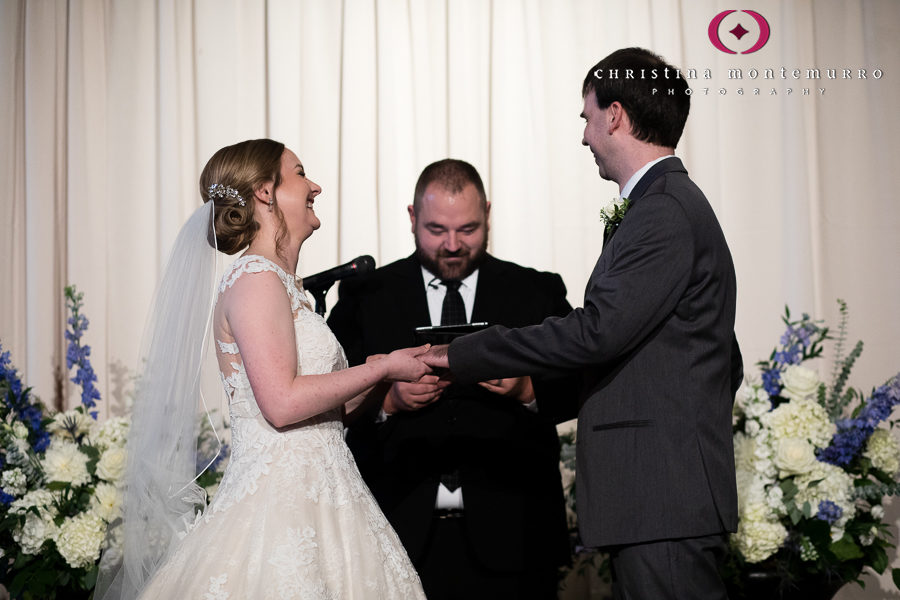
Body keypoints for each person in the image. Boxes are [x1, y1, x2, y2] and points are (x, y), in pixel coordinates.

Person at [422, 48, 744, 600]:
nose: (584, 136)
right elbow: (715, 356)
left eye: (586, 117)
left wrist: (461, 354)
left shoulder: (662, 209)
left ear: (614, 115)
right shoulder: (664, 204)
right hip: (660, 494)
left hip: (661, 496)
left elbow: (598, 332)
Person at [96, 139, 429, 599]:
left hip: (329, 497)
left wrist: (379, 375)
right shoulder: (255, 279)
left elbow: (324, 414)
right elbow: (281, 403)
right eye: (299, 173)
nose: (315, 186)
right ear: (264, 193)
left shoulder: (283, 286)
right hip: (278, 511)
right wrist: (381, 369)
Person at [327, 159, 577, 599]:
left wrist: (527, 390)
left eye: (468, 229)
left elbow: (581, 384)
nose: (453, 244)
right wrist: (387, 403)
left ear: (488, 214)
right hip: (395, 532)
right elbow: (326, 399)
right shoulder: (365, 296)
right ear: (411, 218)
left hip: (516, 534)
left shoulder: (536, 291)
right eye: (437, 230)